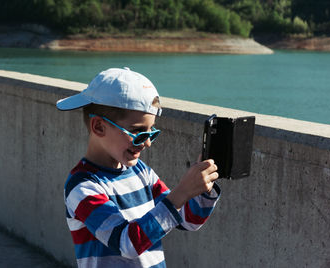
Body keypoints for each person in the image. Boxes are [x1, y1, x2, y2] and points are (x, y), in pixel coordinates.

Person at [56, 67, 220, 268]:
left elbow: (188, 220)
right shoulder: (82, 186)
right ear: (99, 127)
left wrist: (203, 185)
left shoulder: (142, 172)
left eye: (152, 132)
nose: (148, 142)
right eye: (139, 132)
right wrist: (182, 192)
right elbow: (127, 243)